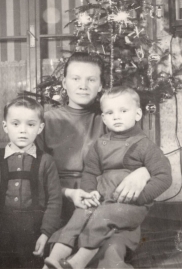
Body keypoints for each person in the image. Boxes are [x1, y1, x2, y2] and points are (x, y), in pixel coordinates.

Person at [38, 52, 151, 269]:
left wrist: (143, 171)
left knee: (111, 246)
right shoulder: (47, 120)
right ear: (64, 82)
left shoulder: (111, 119)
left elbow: (146, 153)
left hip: (105, 201)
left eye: (91, 80)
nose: (83, 85)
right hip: (61, 202)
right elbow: (37, 176)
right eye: (76, 78)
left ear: (100, 86)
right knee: (65, 243)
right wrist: (69, 194)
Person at [44, 86, 172, 269]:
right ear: (104, 118)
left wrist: (139, 198)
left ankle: (78, 261)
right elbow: (90, 172)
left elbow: (164, 176)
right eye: (110, 113)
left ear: (137, 114)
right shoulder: (100, 144)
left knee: (101, 217)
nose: (116, 116)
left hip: (127, 206)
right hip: (102, 199)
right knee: (80, 213)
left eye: (123, 111)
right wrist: (90, 193)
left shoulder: (145, 145)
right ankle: (56, 257)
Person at [0, 96, 62, 269]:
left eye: (30, 124)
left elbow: (54, 201)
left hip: (33, 236)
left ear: (40, 128)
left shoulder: (46, 161)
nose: (23, 130)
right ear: (5, 126)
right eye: (16, 124)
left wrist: (45, 234)